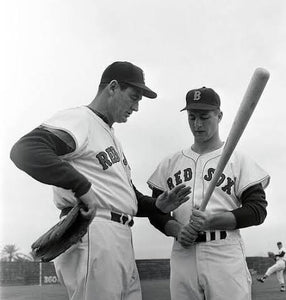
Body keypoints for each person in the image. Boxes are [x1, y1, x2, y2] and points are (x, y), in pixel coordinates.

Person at [10, 61, 191, 300]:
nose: (136, 107)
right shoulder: (80, 119)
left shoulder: (110, 135)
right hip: (94, 231)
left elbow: (127, 197)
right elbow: (26, 150)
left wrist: (156, 205)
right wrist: (81, 186)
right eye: (133, 97)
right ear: (113, 87)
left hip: (119, 237)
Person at [147, 87, 270, 300]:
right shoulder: (170, 163)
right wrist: (175, 229)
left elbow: (257, 211)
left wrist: (211, 221)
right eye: (192, 117)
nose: (197, 124)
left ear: (219, 116)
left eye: (204, 117)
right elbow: (154, 210)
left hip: (224, 251)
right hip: (183, 252)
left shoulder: (238, 160)